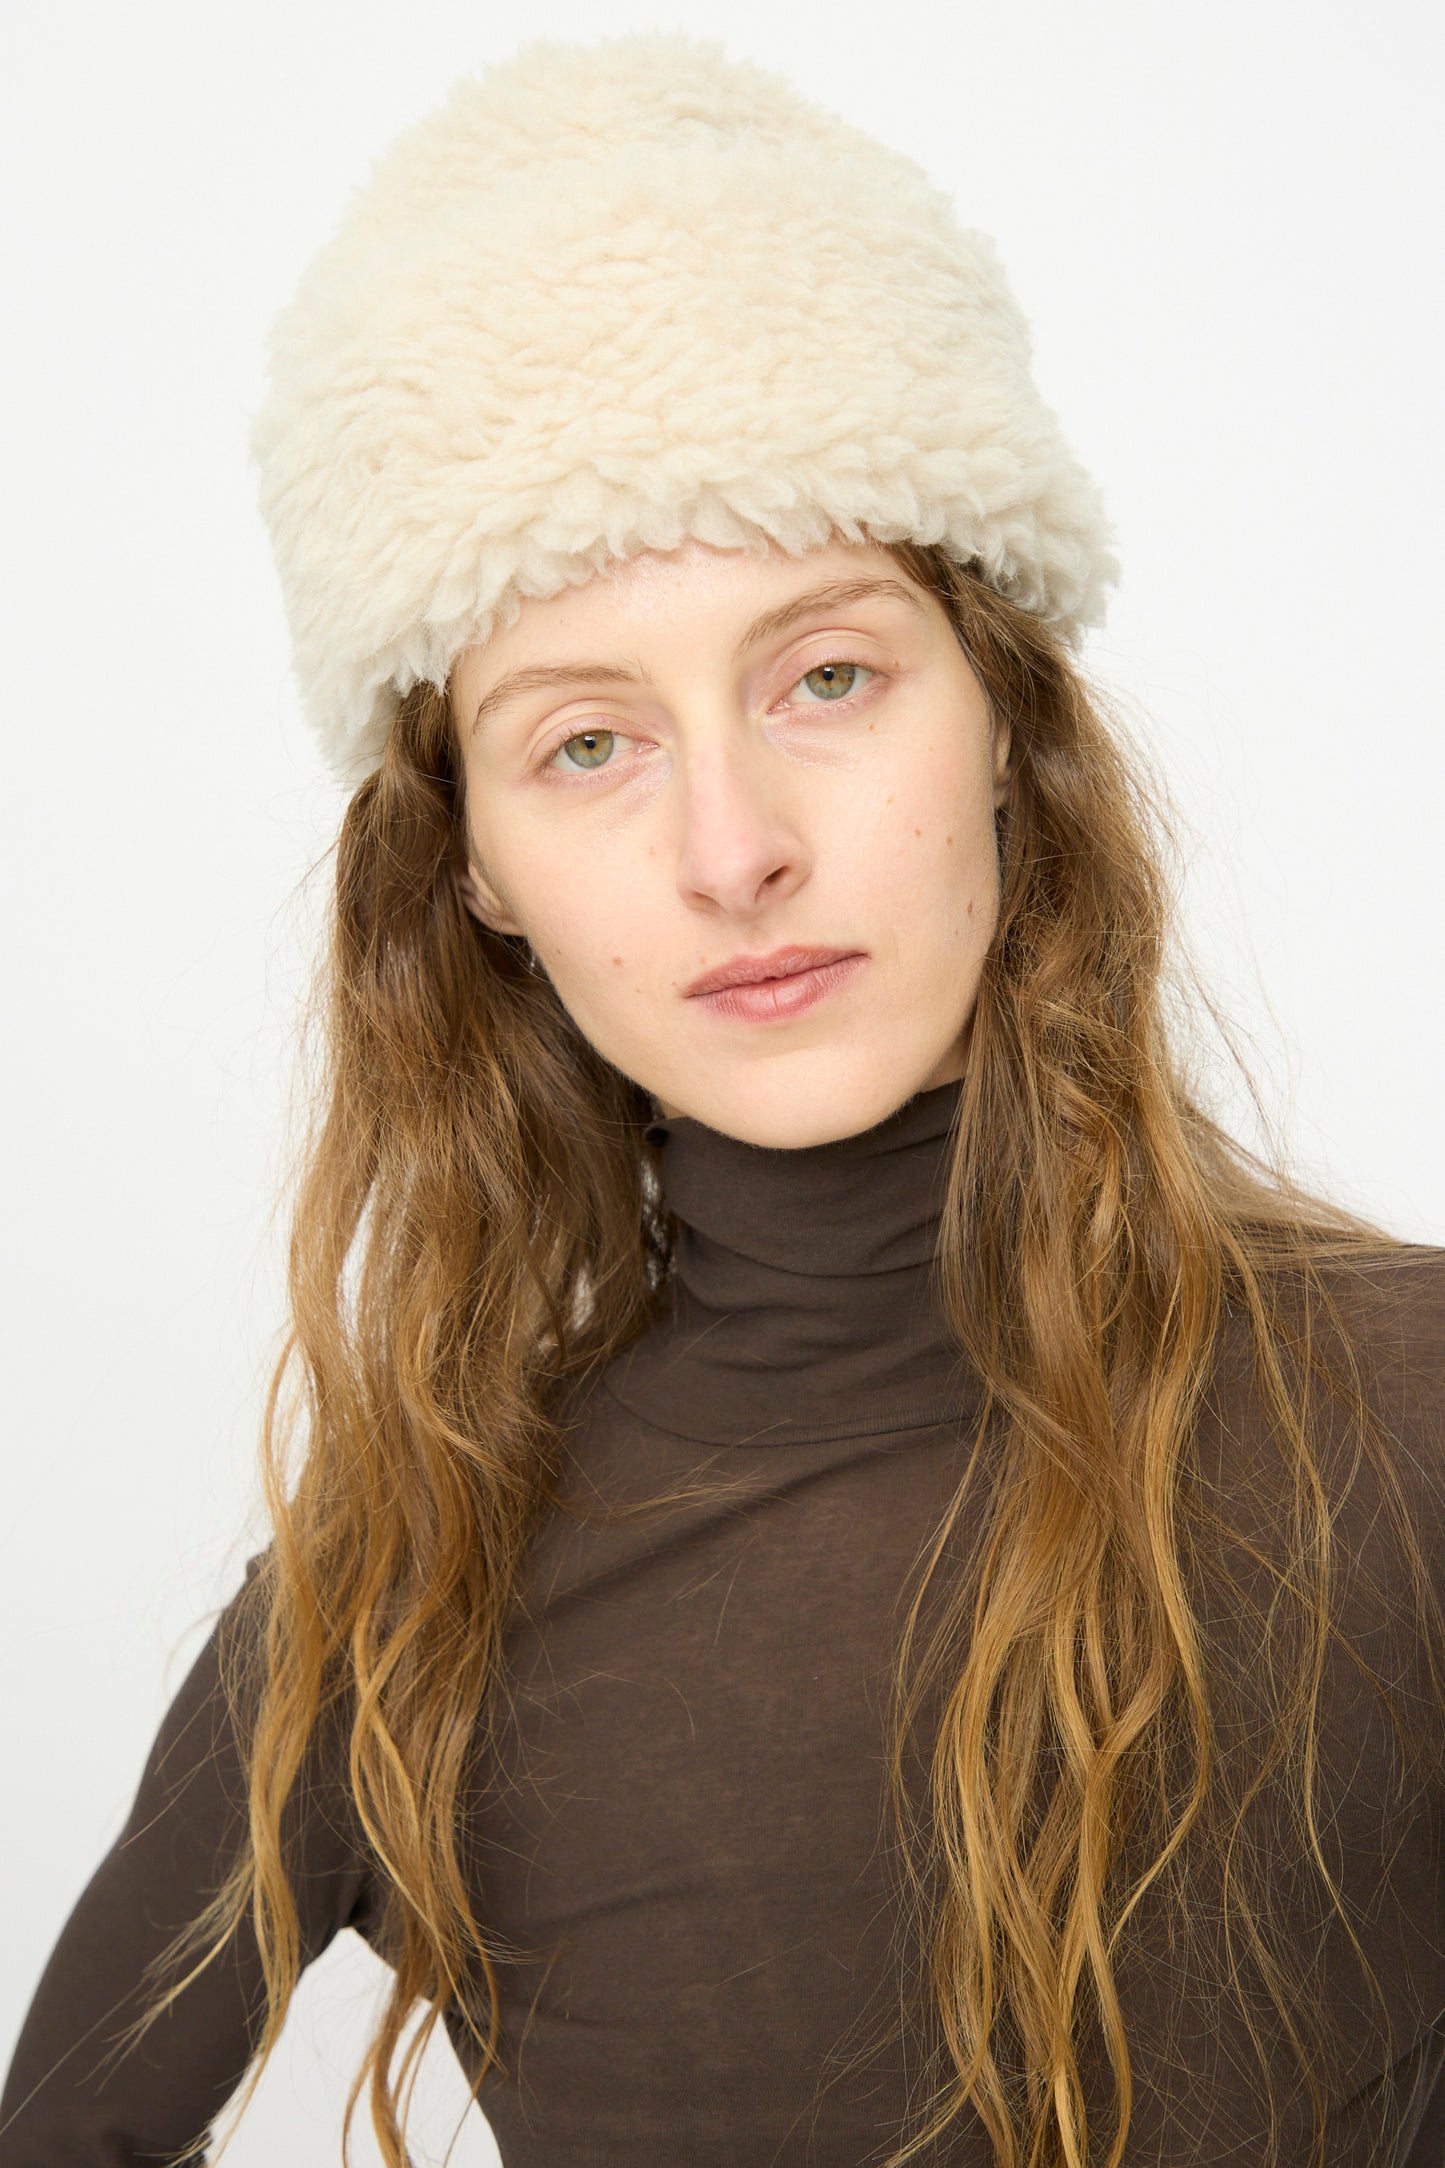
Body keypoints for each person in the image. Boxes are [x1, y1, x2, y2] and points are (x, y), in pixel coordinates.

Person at [2, 30, 1443, 2168]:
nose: (732, 847)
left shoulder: (1410, 1407)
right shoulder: (405, 1586)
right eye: (588, 740)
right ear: (474, 863)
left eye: (827, 676)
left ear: (1006, 729)